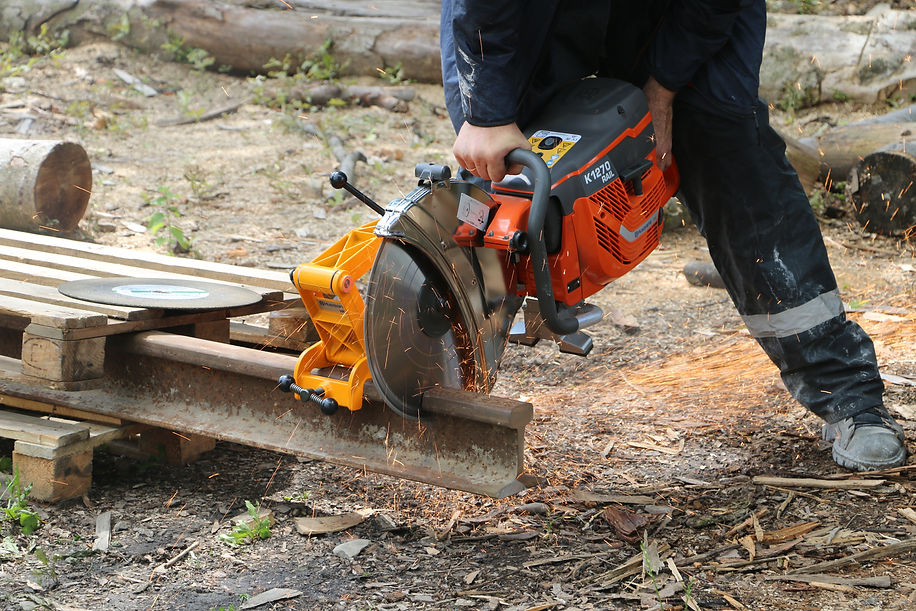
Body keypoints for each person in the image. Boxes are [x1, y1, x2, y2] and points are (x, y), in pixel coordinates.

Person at [439, 0, 907, 471]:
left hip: (678, 10)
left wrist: (662, 89)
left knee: (728, 149)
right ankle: (435, 381)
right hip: (526, 12)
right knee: (507, 173)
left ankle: (845, 393)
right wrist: (489, 112)